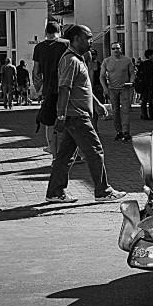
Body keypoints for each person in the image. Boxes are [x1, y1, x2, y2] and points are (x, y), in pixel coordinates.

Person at [44, 24, 126, 204]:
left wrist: (97, 105)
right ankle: (103, 190)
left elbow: (82, 88)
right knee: (95, 150)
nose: (91, 41)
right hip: (76, 116)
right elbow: (64, 89)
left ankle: (55, 192)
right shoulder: (71, 61)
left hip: (77, 114)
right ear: (76, 39)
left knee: (65, 155)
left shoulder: (78, 59)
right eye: (88, 38)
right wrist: (61, 116)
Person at [33, 21, 70, 155]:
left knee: (50, 122)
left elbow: (35, 72)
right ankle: (68, 154)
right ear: (59, 30)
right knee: (66, 120)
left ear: (46, 32)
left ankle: (54, 155)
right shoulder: (65, 45)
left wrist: (39, 90)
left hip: (48, 90)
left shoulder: (39, 48)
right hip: (64, 87)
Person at [101, 42, 137, 141]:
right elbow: (102, 76)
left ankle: (126, 131)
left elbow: (132, 73)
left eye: (117, 48)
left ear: (120, 49)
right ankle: (119, 131)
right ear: (111, 50)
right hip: (112, 89)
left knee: (126, 110)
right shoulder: (106, 61)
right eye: (113, 48)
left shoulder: (127, 60)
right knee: (115, 111)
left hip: (125, 88)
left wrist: (131, 82)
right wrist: (104, 87)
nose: (115, 50)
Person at [135, 48, 153, 120]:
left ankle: (144, 114)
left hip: (143, 84)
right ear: (150, 56)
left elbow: (139, 74)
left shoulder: (142, 64)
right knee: (150, 100)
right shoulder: (152, 64)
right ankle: (151, 115)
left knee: (144, 100)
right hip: (150, 83)